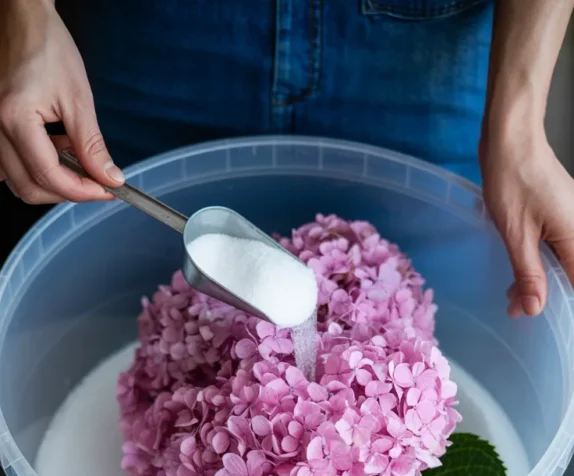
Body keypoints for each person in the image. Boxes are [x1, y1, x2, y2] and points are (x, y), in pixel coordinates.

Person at [1, 0, 573, 319]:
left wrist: (519, 126)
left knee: (429, 319)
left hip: (418, 47)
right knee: (113, 314)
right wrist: (24, 20)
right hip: (156, 29)